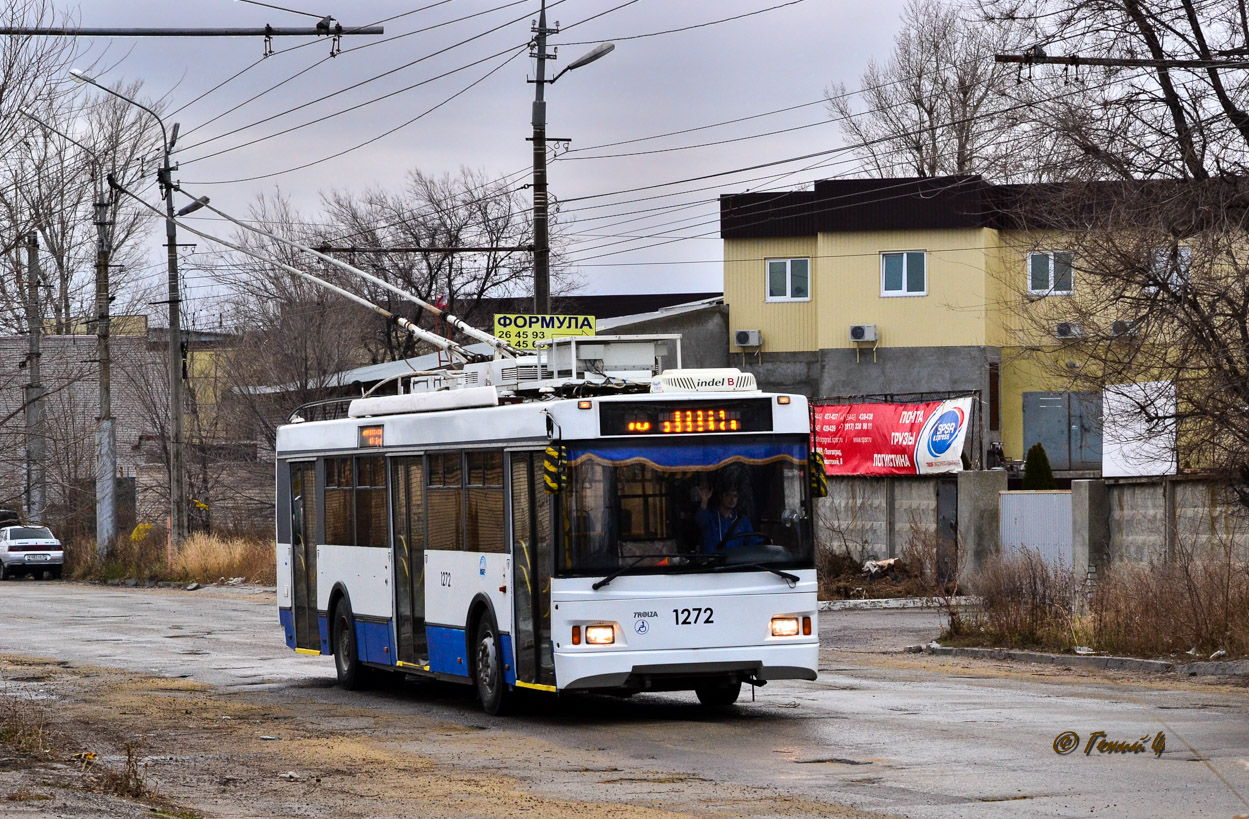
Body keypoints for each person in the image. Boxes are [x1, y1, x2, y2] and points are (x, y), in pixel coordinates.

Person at [696, 479, 757, 553]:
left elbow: (752, 540)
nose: (732, 499)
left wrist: (765, 542)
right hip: (713, 562)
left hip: (735, 563)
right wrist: (704, 500)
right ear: (721, 496)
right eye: (728, 495)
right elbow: (700, 520)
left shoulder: (742, 520)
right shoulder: (711, 516)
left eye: (735, 496)